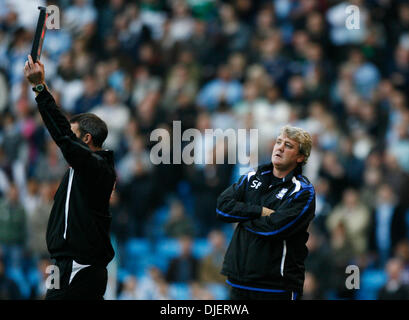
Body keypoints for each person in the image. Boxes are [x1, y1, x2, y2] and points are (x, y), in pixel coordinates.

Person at [23, 55, 116, 300]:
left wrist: (40, 88)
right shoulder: (80, 169)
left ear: (86, 139)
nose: (67, 140)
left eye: (74, 134)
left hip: (79, 266)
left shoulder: (97, 168)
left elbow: (62, 136)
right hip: (62, 264)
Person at [216, 125, 315, 300]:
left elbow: (275, 228)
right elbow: (222, 208)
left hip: (277, 286)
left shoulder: (303, 191)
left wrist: (242, 216)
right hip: (239, 281)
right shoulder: (252, 177)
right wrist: (259, 211)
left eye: (288, 145)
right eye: (279, 142)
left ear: (300, 157)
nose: (280, 148)